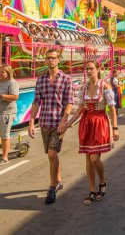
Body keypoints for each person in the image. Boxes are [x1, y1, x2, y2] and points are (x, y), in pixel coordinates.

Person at [62, 61, 118, 204]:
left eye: (91, 68)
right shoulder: (83, 87)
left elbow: (112, 108)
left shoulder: (105, 86)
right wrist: (69, 122)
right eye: (87, 69)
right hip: (86, 123)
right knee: (88, 159)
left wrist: (115, 128)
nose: (89, 71)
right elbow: (81, 108)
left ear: (98, 69)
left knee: (94, 159)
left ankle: (103, 180)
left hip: (100, 123)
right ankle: (92, 190)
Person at [28, 48, 73, 204]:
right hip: (44, 122)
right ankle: (59, 179)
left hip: (59, 124)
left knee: (52, 154)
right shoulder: (41, 80)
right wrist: (31, 122)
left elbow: (69, 101)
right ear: (45, 60)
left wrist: (64, 120)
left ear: (58, 60)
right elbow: (36, 102)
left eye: (53, 58)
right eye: (48, 58)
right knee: (51, 155)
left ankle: (52, 187)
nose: (51, 60)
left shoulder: (66, 79)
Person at [0, 65, 19, 165]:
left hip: (7, 112)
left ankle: (5, 157)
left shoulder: (12, 82)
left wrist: (2, 96)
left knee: (4, 135)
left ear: (8, 73)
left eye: (3, 72)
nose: (0, 73)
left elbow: (15, 96)